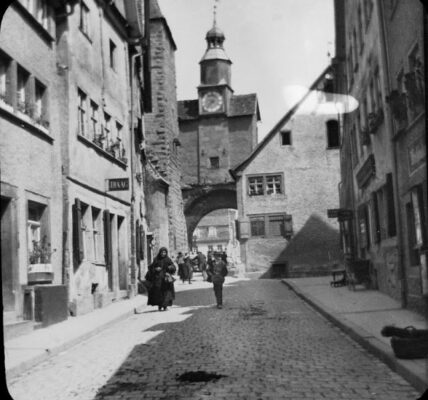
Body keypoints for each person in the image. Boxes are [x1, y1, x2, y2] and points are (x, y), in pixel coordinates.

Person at [145, 247, 176, 311]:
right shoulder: (156, 259)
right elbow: (151, 268)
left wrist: (170, 268)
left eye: (164, 252)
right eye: (162, 252)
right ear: (160, 252)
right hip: (158, 279)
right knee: (158, 293)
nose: (163, 253)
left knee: (166, 293)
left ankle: (165, 306)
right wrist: (155, 269)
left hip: (166, 279)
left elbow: (173, 267)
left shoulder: (168, 259)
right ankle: (159, 305)